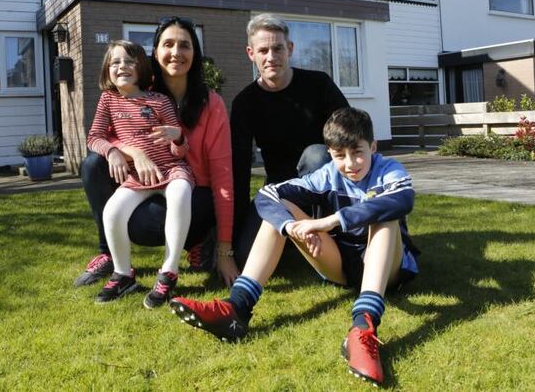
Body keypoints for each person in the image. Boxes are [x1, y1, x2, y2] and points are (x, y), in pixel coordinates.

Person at [170, 108, 420, 386]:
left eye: (358, 152)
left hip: (388, 270)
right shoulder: (326, 175)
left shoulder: (389, 169)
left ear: (373, 146)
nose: (350, 163)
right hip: (340, 266)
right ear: (330, 153)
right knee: (279, 213)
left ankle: (363, 328)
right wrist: (289, 228)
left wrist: (329, 222)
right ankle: (236, 309)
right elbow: (268, 195)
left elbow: (403, 200)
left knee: (385, 217)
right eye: (339, 155)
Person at [75, 17, 239, 290]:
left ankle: (197, 241)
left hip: (194, 190)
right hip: (147, 179)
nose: (176, 52)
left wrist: (225, 250)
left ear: (195, 53)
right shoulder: (139, 94)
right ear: (155, 52)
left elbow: (223, 177)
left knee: (145, 225)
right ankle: (108, 253)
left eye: (185, 45)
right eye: (168, 44)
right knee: (93, 164)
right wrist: (128, 151)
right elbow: (109, 132)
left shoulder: (211, 104)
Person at [231, 13, 349, 268]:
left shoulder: (319, 85)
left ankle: (327, 234)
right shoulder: (245, 103)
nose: (271, 57)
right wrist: (233, 232)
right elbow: (239, 166)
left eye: (278, 48)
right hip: (279, 186)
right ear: (251, 53)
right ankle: (296, 235)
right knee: (244, 256)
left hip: (321, 178)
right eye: (263, 50)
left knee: (316, 154)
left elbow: (349, 133)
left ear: (290, 49)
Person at [89, 40, 194, 308]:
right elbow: (95, 137)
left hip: (171, 169)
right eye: (115, 62)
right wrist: (113, 151)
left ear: (141, 67)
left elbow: (180, 150)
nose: (122, 66)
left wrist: (178, 136)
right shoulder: (108, 100)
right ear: (107, 69)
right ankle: (123, 272)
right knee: (112, 211)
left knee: (181, 194)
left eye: (129, 61)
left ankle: (169, 271)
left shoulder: (159, 100)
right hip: (138, 176)